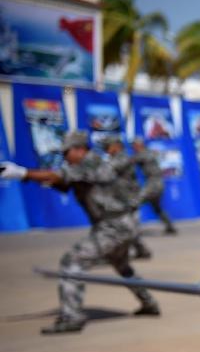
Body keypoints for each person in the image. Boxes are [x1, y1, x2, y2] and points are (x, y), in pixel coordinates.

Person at [0, 131, 160, 334]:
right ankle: (149, 303)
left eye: (67, 152)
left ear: (80, 150)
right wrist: (30, 177)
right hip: (120, 225)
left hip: (114, 226)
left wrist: (21, 173)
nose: (65, 156)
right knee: (122, 266)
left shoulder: (90, 163)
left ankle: (72, 317)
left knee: (72, 261)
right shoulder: (83, 166)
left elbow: (58, 176)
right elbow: (62, 183)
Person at [102, 135, 153, 260]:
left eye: (108, 146)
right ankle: (141, 250)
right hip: (121, 198)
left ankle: (128, 252)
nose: (106, 149)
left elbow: (108, 169)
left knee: (128, 227)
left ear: (117, 146)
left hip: (130, 198)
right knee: (128, 226)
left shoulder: (123, 157)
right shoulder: (114, 158)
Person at [132, 137, 177, 235]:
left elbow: (131, 161)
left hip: (153, 183)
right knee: (156, 207)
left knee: (135, 202)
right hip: (157, 183)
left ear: (139, 145)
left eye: (134, 145)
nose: (133, 148)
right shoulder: (149, 153)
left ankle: (131, 229)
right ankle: (170, 227)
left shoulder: (144, 153)